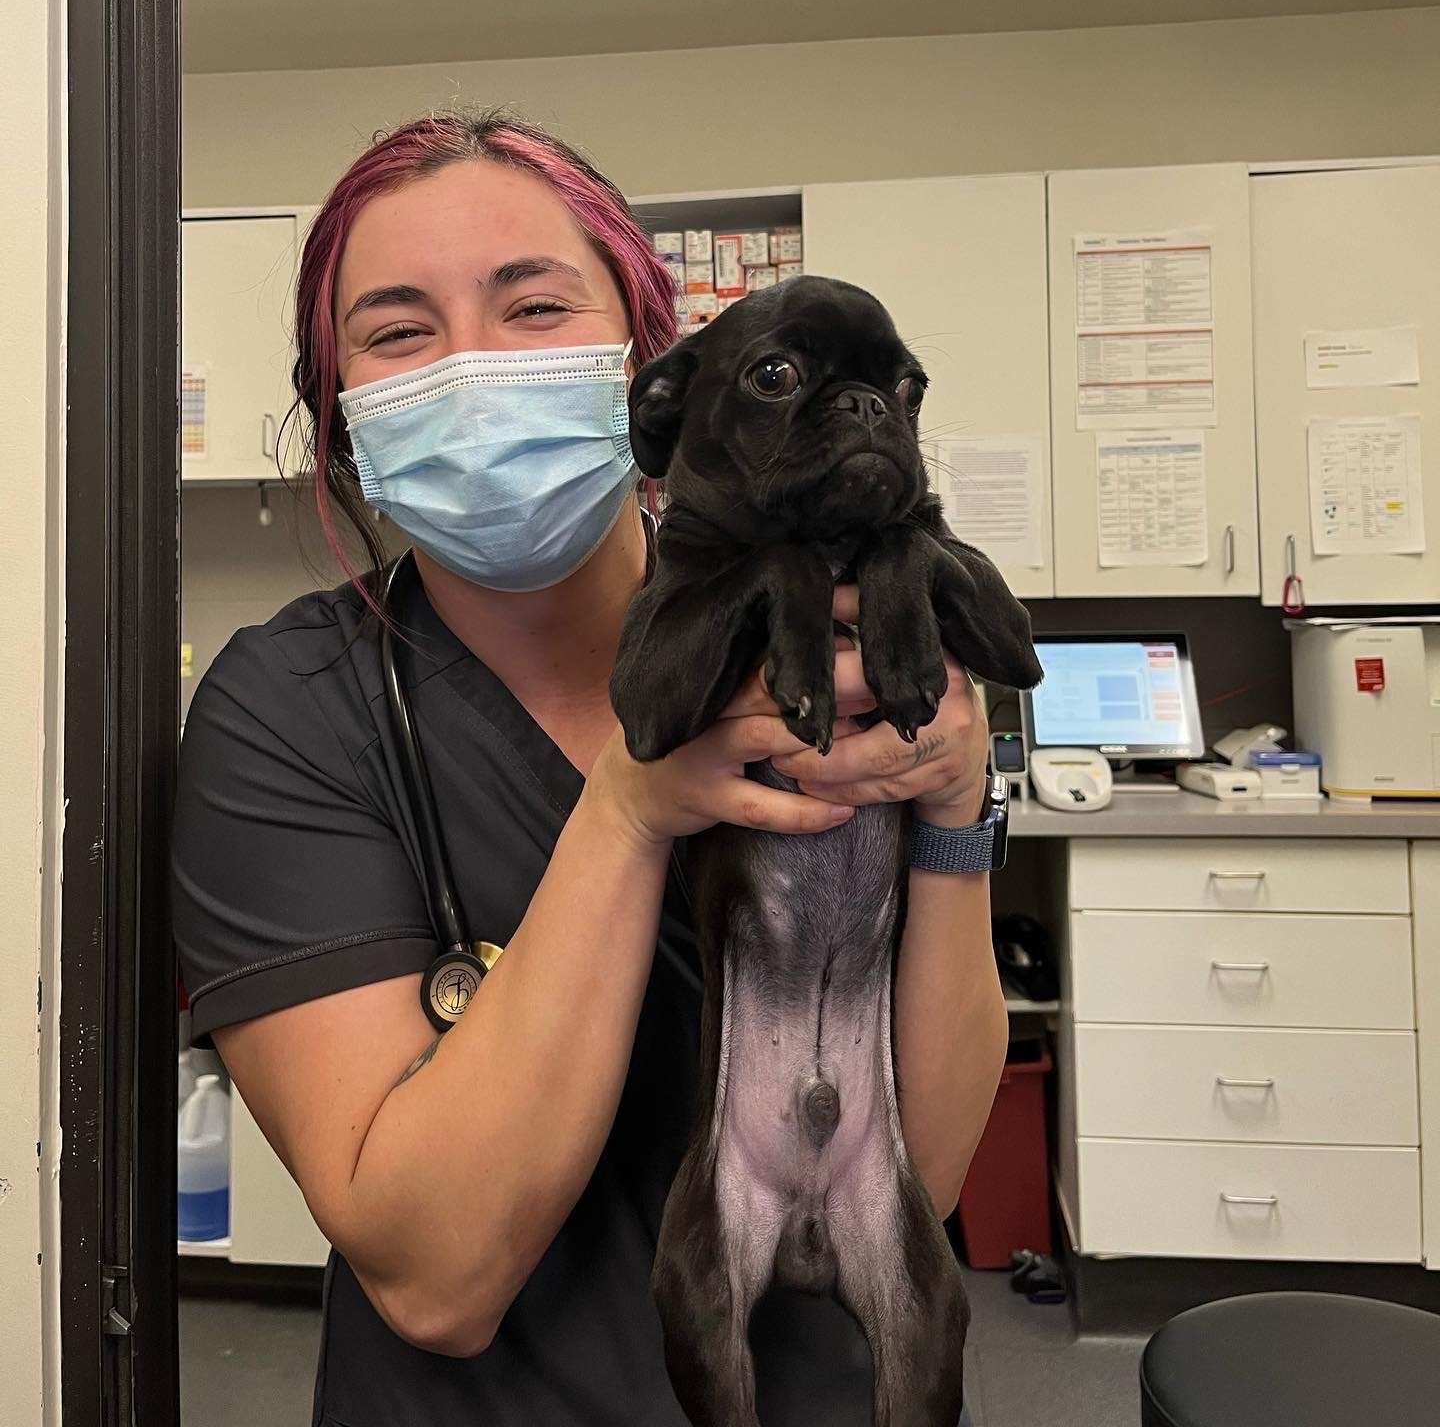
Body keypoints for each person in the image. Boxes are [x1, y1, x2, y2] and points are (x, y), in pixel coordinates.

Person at [172, 110, 1007, 1427]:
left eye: (536, 307)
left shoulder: (832, 648)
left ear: (650, 360)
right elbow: (439, 1278)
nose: (475, 371)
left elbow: (931, 1173)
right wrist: (630, 805)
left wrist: (957, 814)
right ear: (340, 413)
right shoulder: (290, 714)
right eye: (398, 333)